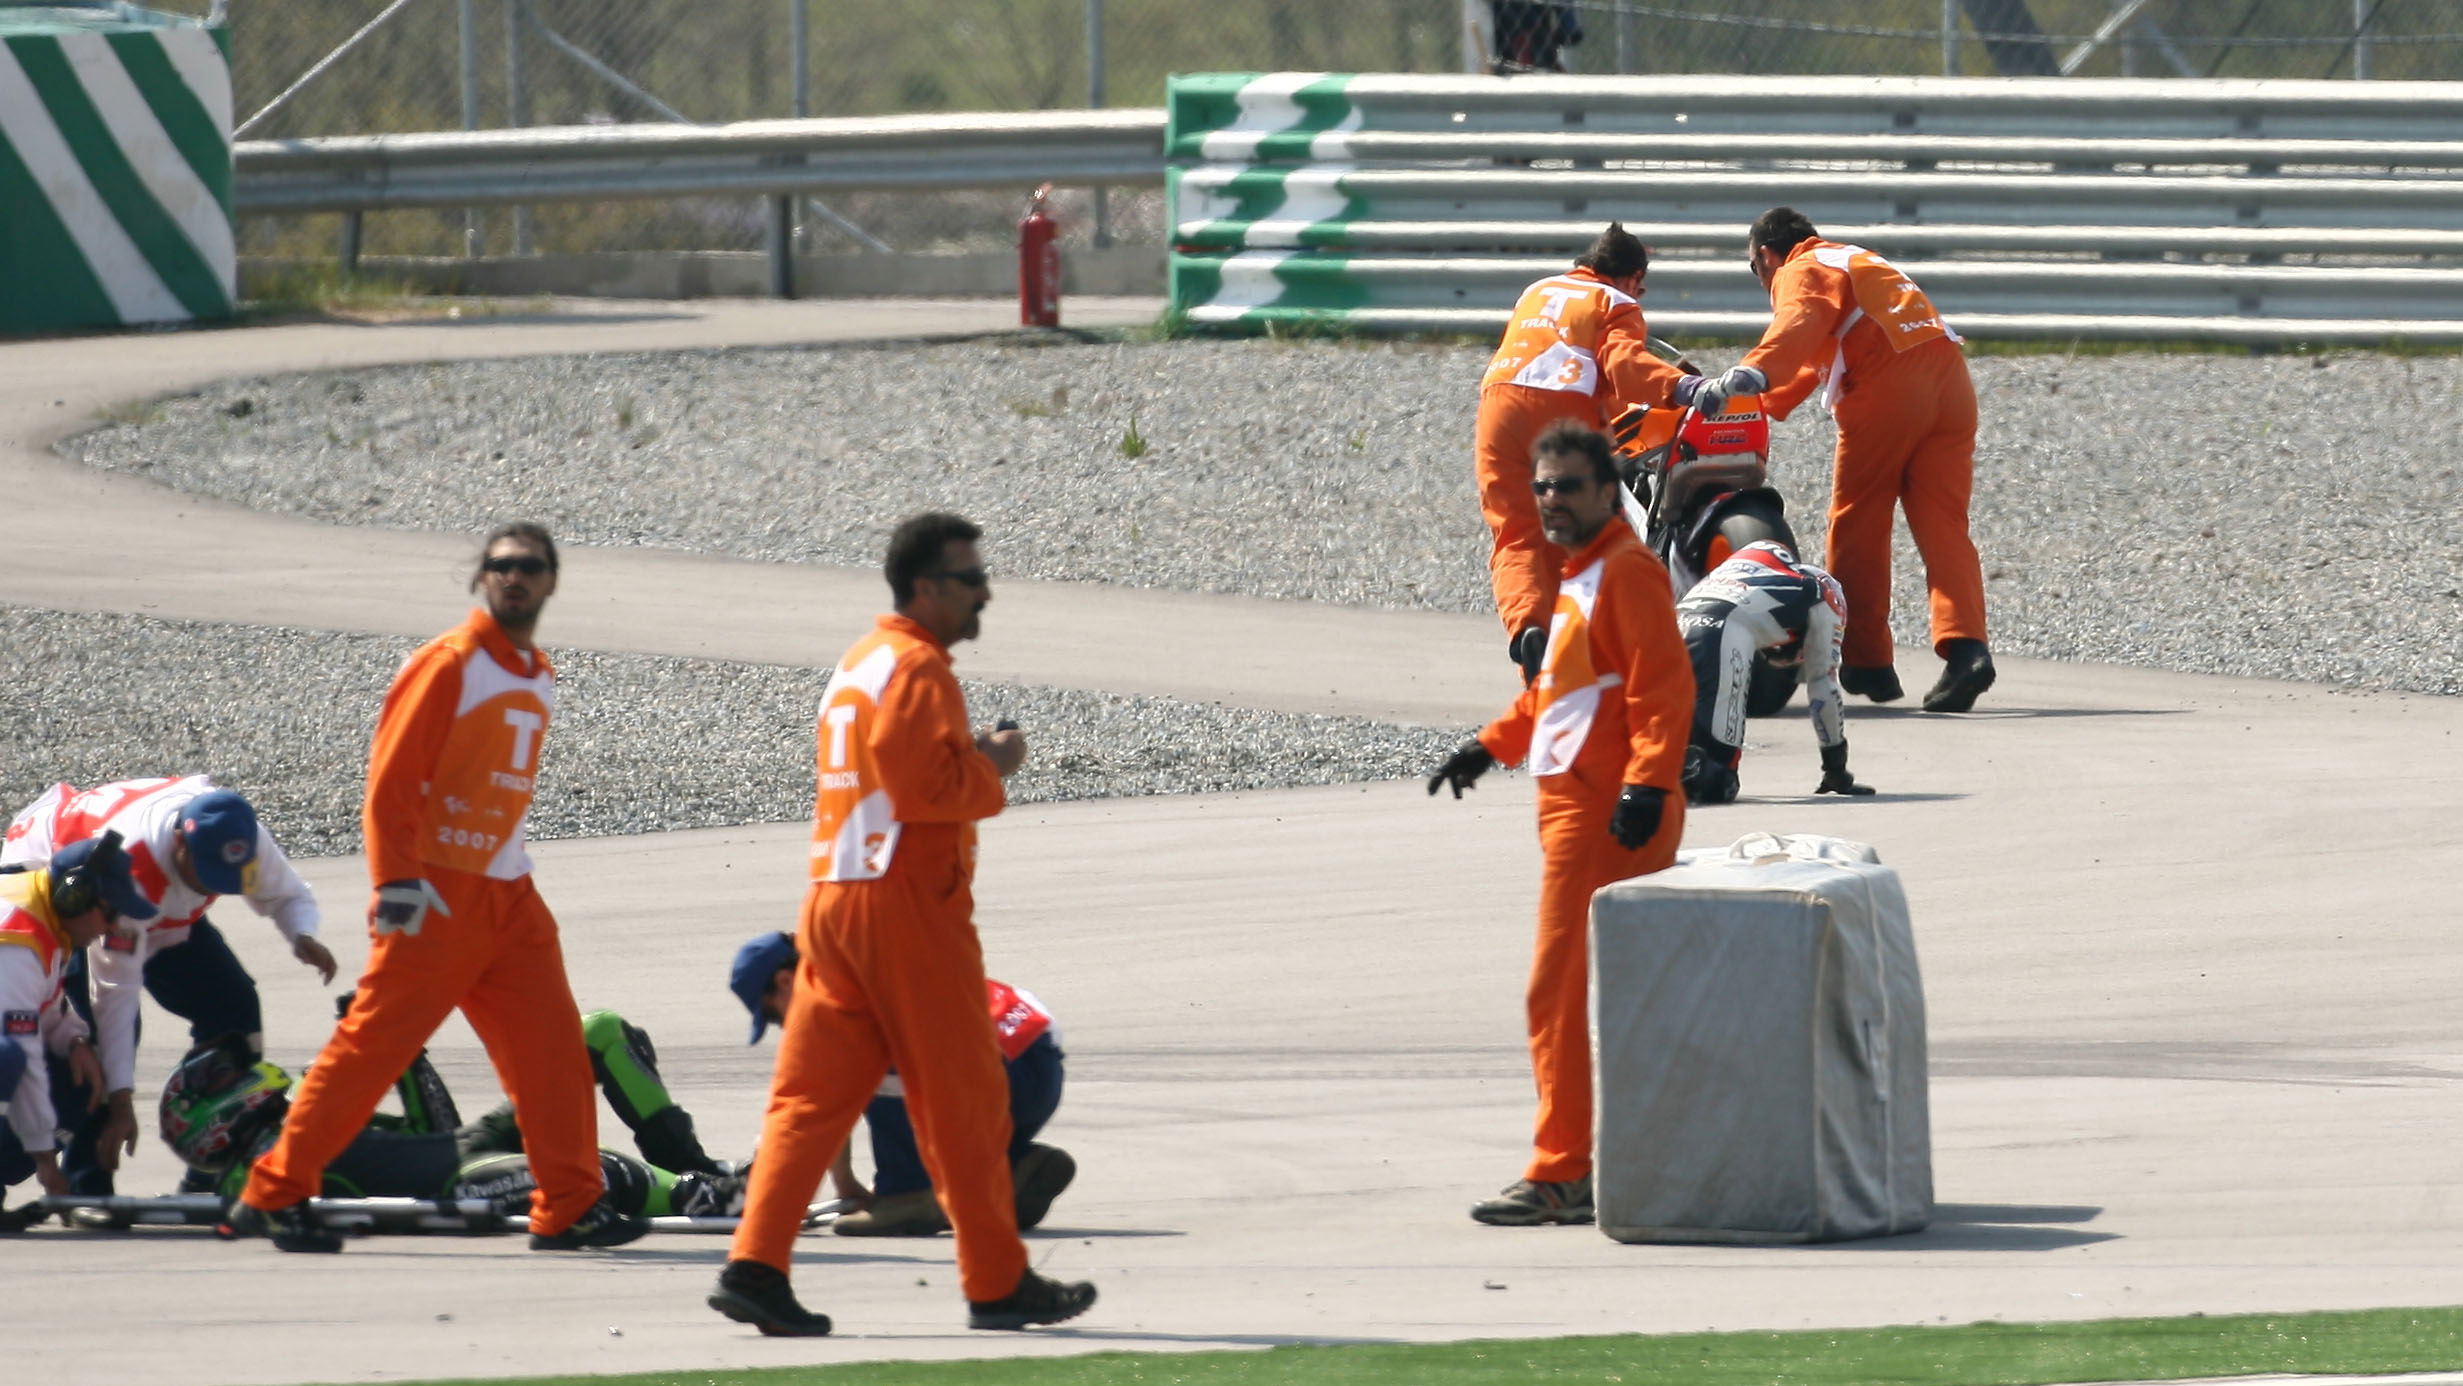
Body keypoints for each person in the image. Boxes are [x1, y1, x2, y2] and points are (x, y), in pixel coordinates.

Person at [708, 513, 1096, 1338]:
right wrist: (992, 767)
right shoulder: (919, 666)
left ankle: (755, 1265)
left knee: (807, 1101)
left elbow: (882, 774)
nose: (983, 590)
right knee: (964, 1097)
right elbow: (921, 786)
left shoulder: (861, 661)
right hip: (904, 908)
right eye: (968, 578)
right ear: (925, 587)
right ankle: (996, 1283)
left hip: (835, 899)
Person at [234, 522, 641, 1255]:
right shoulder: (447, 663)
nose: (514, 577)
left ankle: (569, 1206)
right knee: (371, 1053)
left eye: (530, 567)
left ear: (552, 582)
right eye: (502, 566)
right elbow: (391, 781)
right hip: (436, 897)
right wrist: (397, 883)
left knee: (551, 1055)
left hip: (510, 898)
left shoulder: (538, 673)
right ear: (480, 579)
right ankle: (276, 1191)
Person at [1426, 422, 1693, 1227]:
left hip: (1606, 812)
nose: (1551, 499)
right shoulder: (1580, 575)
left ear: (1609, 492)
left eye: (1568, 485)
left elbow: (1663, 687)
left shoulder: (1627, 572)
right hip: (1577, 806)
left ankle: (1561, 1171)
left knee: (1558, 992)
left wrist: (1646, 784)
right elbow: (1558, 693)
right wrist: (1488, 746)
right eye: (1542, 486)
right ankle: (1631, 1158)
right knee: (1615, 996)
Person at [1682, 207, 1995, 713]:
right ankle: (1968, 652)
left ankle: (1866, 662)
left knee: (1857, 521)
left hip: (1891, 388)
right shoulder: (1856, 260)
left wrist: (1751, 373)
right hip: (1951, 385)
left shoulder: (1800, 268)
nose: (1762, 279)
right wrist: (1757, 400)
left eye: (1755, 269)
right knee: (1944, 527)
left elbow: (1798, 323)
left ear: (1766, 256)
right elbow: (1814, 357)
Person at [1, 776, 331, 1193]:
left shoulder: (239, 836)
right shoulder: (127, 876)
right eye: (206, 875)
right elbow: (113, 1001)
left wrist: (301, 934)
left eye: (222, 881)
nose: (211, 888)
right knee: (97, 1044)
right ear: (179, 843)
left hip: (153, 905)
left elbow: (286, 893)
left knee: (233, 1007)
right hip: (68, 885)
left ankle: (214, 1166)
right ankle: (86, 1182)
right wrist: (121, 1102)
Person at [730, 930, 1075, 1238]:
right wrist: (844, 1183)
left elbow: (813, 1109)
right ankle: (1010, 1172)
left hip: (990, 1079)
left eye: (773, 1015)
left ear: (787, 980)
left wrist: (783, 1197)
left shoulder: (831, 1002)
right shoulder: (862, 951)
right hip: (1038, 1059)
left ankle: (907, 1195)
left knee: (861, 1068)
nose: (783, 1026)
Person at [1476, 223, 1689, 683]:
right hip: (1562, 414)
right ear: (1631, 278)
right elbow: (1622, 365)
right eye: (1642, 286)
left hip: (1499, 406)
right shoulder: (1617, 302)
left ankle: (1530, 631)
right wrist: (1680, 386)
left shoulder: (1537, 289)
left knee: (1518, 535)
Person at [1, 834, 152, 1217]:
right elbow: (26, 1056)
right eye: (110, 912)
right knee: (10, 1058)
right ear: (75, 896)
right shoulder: (16, 938)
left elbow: (44, 1007)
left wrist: (74, 1041)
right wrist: (47, 1166)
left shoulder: (43, 915)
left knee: (78, 1074)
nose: (113, 926)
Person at [1677, 539, 1875, 804]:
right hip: (1723, 626)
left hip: (1676, 619)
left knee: (1673, 730)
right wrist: (1836, 769)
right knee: (1718, 782)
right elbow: (1822, 685)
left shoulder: (1759, 574)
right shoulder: (1825, 592)